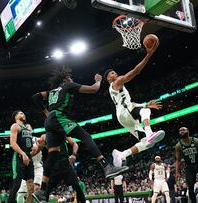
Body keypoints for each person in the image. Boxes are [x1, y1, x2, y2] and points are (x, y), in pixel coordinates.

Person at [32, 68, 128, 202]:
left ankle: (42, 190)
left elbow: (35, 97)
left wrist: (46, 113)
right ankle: (106, 166)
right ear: (65, 79)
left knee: (53, 154)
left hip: (49, 122)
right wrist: (98, 81)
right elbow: (93, 89)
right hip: (59, 117)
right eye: (70, 77)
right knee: (85, 137)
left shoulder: (51, 92)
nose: (72, 79)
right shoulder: (68, 85)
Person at [104, 35, 165, 163]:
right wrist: (149, 54)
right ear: (109, 79)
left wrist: (145, 104)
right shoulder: (117, 82)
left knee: (147, 143)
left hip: (123, 116)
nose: (115, 74)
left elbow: (130, 103)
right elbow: (136, 71)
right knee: (145, 112)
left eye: (114, 72)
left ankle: (122, 155)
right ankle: (150, 133)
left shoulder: (117, 89)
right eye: (112, 73)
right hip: (125, 112)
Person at [8, 111, 38, 203]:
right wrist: (23, 154)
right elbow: (12, 143)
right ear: (16, 117)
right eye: (21, 113)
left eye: (24, 113)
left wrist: (34, 148)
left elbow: (29, 145)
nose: (23, 114)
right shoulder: (15, 126)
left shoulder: (27, 129)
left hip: (28, 158)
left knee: (31, 186)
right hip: (19, 157)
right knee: (16, 185)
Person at [45, 136, 86, 203]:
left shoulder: (62, 133)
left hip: (65, 162)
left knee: (77, 187)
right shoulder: (46, 136)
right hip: (55, 163)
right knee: (47, 189)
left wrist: (74, 154)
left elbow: (75, 144)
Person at [17, 131, 45, 203]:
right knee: (20, 195)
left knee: (36, 188)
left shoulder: (37, 139)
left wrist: (42, 143)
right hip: (27, 168)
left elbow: (44, 140)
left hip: (37, 166)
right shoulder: (21, 143)